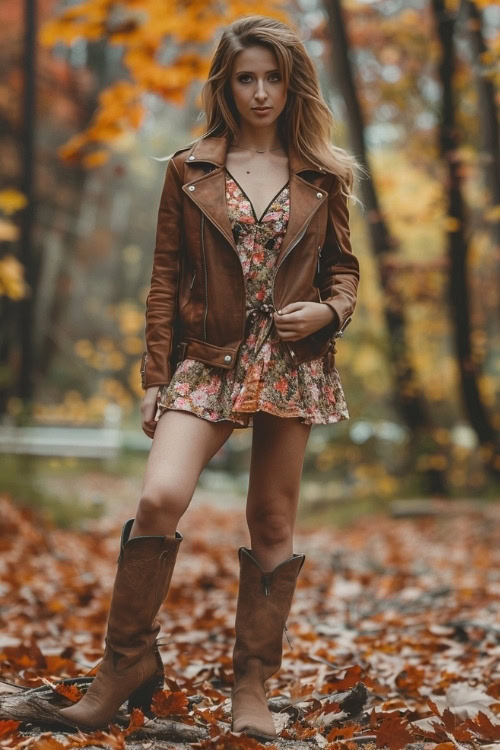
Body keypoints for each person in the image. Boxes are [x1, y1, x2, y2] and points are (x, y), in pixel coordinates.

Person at [53, 14, 362, 743]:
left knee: (273, 522)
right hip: (209, 356)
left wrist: (327, 310)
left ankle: (252, 683)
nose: (260, 93)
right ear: (226, 87)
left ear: (293, 85)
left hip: (292, 361)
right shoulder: (188, 168)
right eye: (246, 78)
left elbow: (344, 272)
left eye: (273, 78)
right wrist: (154, 374)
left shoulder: (324, 172)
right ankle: (125, 665)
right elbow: (165, 277)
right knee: (160, 495)